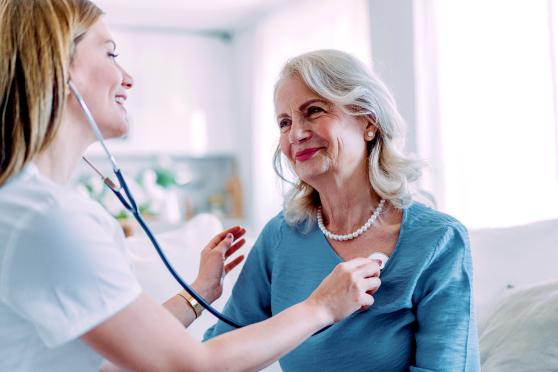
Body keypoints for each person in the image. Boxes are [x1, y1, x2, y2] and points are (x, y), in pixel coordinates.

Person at [0, 3, 382, 371]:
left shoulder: (29, 206)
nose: (128, 78)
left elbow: (113, 360)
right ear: (60, 67)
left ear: (369, 123)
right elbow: (190, 366)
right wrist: (322, 307)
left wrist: (199, 293)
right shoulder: (46, 219)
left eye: (314, 111)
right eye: (111, 54)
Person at [205, 49, 481, 371]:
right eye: (284, 122)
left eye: (314, 111)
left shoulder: (439, 239)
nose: (296, 133)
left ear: (369, 122)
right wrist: (199, 293)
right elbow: (214, 357)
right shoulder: (280, 237)